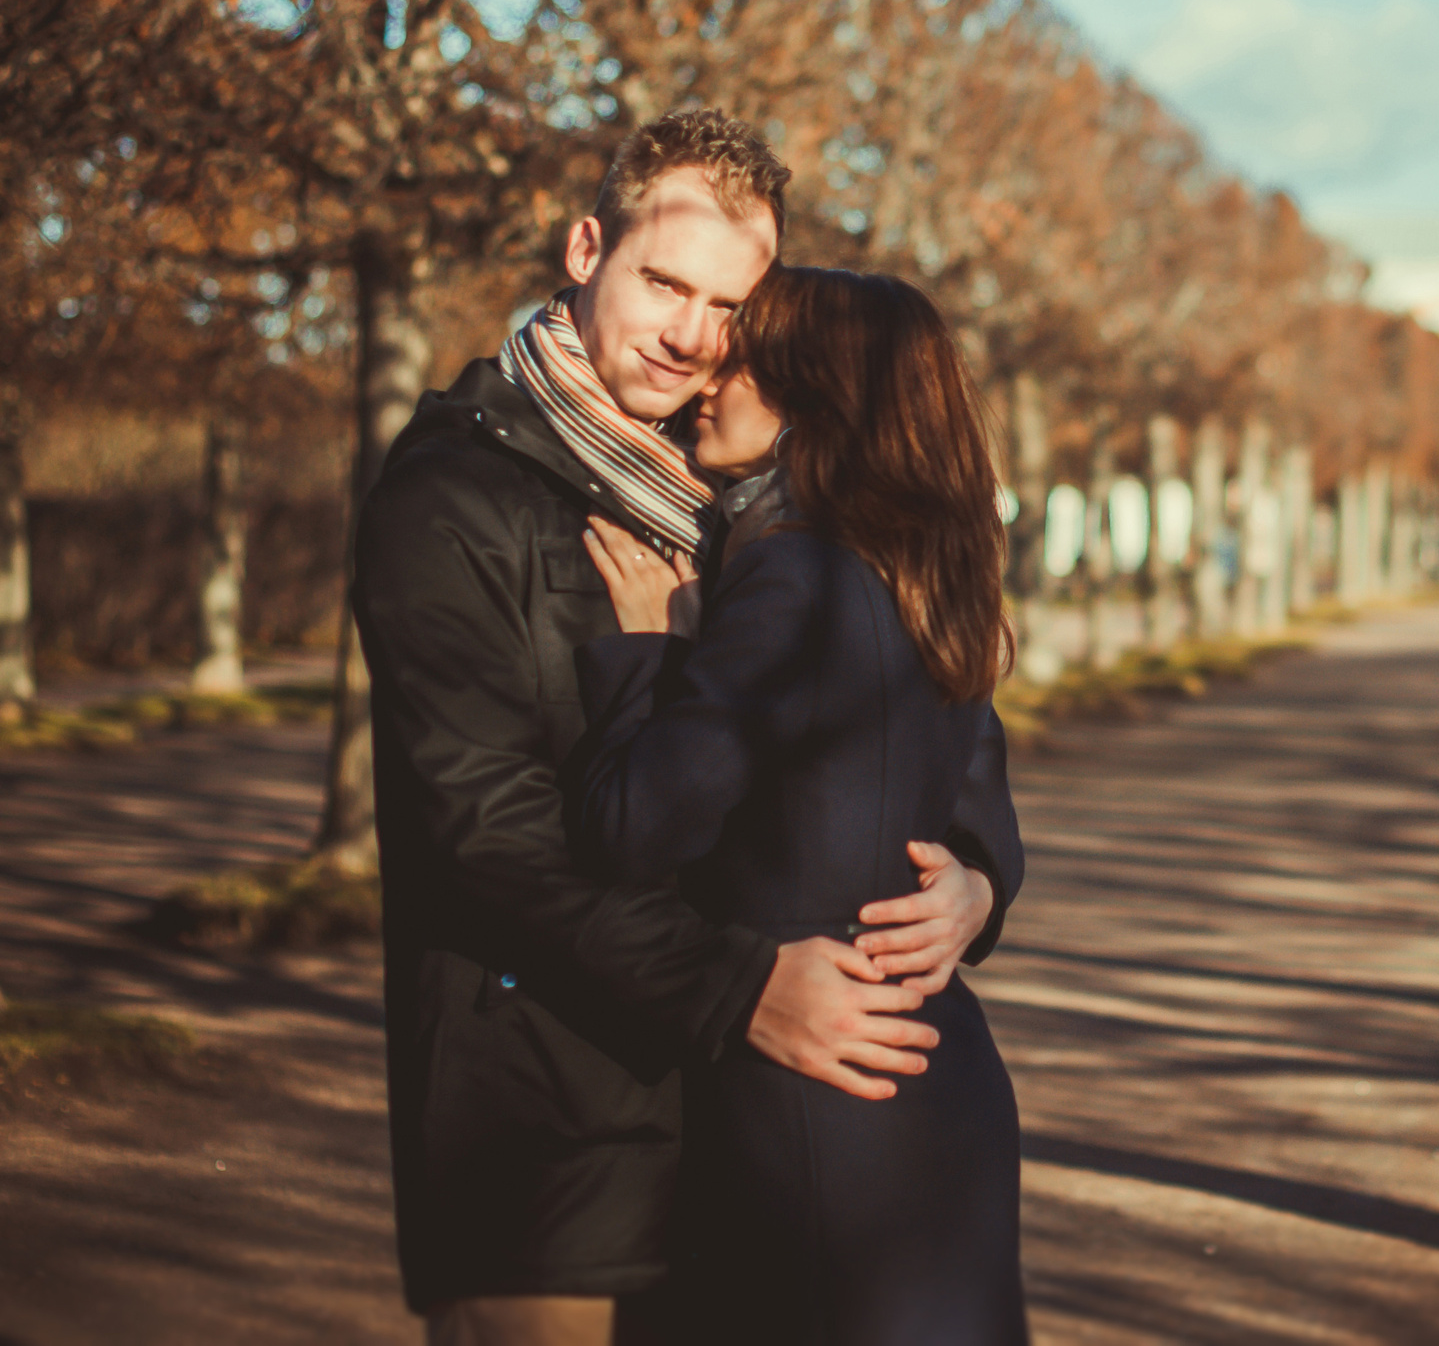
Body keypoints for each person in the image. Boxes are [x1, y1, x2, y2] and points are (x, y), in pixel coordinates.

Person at [353, 111, 1019, 1346]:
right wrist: (740, 989)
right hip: (553, 1128)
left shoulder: (740, 488)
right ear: (585, 248)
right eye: (664, 282)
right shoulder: (454, 491)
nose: (690, 337)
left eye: (730, 310)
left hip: (737, 1124)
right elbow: (486, 835)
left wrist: (978, 874)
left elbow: (921, 705)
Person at [569, 266, 1028, 1346]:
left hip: (809, 1105)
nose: (707, 374)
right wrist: (981, 878)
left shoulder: (790, 579)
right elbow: (974, 794)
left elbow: (637, 827)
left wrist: (644, 654)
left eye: (745, 355)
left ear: (815, 392)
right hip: (929, 1085)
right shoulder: (920, 576)